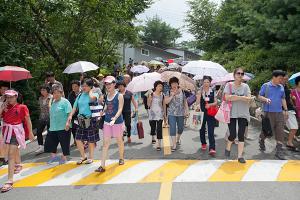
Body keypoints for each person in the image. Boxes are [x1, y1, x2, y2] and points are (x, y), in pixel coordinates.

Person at [0, 90, 34, 193]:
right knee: (11, 153)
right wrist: (2, 108)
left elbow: (28, 120)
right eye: (7, 97)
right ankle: (18, 164)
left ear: (16, 97)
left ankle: (9, 180)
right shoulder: (4, 107)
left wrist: (31, 133)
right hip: (6, 132)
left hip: (16, 133)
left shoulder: (22, 107)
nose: (9, 99)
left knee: (10, 155)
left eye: (11, 97)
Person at [95, 76, 124, 173]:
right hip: (107, 121)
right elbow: (106, 106)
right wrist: (102, 112)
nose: (107, 86)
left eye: (109, 84)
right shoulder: (107, 95)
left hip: (117, 122)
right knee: (105, 144)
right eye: (106, 84)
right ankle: (102, 166)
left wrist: (115, 118)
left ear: (114, 84)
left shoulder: (119, 95)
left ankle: (121, 158)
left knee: (119, 140)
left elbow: (120, 109)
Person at [67, 78, 100, 164]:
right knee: (78, 139)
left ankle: (91, 157)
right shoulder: (80, 96)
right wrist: (70, 115)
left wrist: (90, 91)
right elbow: (74, 107)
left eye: (86, 86)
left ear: (90, 86)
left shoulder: (95, 94)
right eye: (82, 85)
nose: (83, 87)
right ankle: (83, 156)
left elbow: (92, 99)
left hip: (91, 119)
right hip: (81, 120)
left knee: (90, 140)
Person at [224, 68, 253, 163]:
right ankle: (228, 146)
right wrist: (241, 97)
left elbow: (249, 99)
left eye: (242, 73)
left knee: (241, 135)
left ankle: (240, 156)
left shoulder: (246, 86)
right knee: (232, 134)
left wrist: (235, 97)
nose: (240, 75)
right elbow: (227, 97)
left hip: (243, 113)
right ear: (234, 75)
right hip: (231, 113)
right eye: (238, 73)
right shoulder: (229, 85)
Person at [258, 70, 288, 160]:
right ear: (274, 77)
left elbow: (283, 99)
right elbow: (259, 96)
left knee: (280, 131)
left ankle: (279, 151)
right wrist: (265, 99)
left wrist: (286, 110)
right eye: (280, 78)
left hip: (279, 113)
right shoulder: (266, 86)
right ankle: (261, 139)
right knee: (267, 131)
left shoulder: (281, 87)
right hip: (268, 113)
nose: (281, 80)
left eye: (282, 78)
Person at [44, 85, 72, 165]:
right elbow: (50, 109)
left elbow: (70, 113)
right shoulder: (53, 102)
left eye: (58, 93)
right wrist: (50, 100)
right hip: (53, 127)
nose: (56, 94)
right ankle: (53, 157)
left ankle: (64, 157)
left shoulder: (65, 101)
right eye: (54, 93)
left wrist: (68, 123)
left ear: (61, 93)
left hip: (63, 127)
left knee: (64, 143)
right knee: (51, 143)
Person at [164, 77, 189, 152]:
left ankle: (178, 138)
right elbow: (166, 102)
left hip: (180, 113)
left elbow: (185, 101)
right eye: (172, 84)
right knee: (172, 128)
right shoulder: (168, 92)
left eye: (175, 83)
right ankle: (174, 144)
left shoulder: (182, 92)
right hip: (171, 113)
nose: (174, 85)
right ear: (170, 85)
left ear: (178, 84)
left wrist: (187, 110)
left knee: (181, 128)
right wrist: (172, 95)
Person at [196, 76, 217, 156]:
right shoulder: (200, 91)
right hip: (201, 113)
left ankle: (212, 148)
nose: (206, 84)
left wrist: (210, 105)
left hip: (210, 113)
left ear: (210, 83)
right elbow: (197, 103)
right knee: (201, 129)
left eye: (207, 82)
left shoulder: (212, 91)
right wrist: (198, 95)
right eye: (204, 82)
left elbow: (215, 102)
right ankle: (203, 143)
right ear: (202, 83)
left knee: (211, 131)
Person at [282, 75, 299, 151]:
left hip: (289, 109)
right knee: (294, 127)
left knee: (293, 127)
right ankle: (289, 142)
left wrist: (291, 99)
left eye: (287, 79)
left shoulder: (285, 86)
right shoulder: (279, 87)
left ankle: (289, 142)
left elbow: (288, 99)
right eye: (285, 79)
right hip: (285, 110)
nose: (286, 80)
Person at [35, 85, 52, 154]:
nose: (42, 92)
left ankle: (50, 146)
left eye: (44, 90)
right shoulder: (40, 98)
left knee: (49, 132)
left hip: (50, 117)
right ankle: (41, 146)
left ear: (47, 90)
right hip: (42, 117)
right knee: (38, 131)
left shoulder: (51, 97)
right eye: (41, 90)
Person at [147, 81, 165, 150]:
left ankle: (159, 144)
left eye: (161, 86)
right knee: (153, 127)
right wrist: (150, 99)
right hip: (152, 114)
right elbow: (148, 105)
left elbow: (164, 105)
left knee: (159, 129)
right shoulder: (151, 94)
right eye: (159, 86)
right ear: (155, 87)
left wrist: (165, 115)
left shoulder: (162, 95)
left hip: (160, 114)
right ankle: (153, 137)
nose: (160, 87)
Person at [67, 80, 81, 147]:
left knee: (82, 128)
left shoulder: (83, 93)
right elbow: (69, 104)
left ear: (79, 86)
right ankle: (76, 140)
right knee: (74, 128)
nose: (74, 88)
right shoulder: (71, 94)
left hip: (82, 114)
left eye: (75, 86)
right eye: (73, 86)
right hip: (73, 114)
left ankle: (83, 141)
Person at [0, 83, 9, 167]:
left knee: (6, 141)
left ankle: (6, 158)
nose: (4, 91)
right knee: (2, 142)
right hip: (1, 123)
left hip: (8, 123)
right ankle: (3, 158)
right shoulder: (0, 99)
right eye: (2, 89)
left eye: (6, 89)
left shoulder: (10, 100)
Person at [291, 76, 300, 144]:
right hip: (297, 110)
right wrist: (292, 98)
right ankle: (295, 135)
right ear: (298, 82)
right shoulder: (293, 91)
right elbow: (291, 102)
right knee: (297, 124)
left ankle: (295, 135)